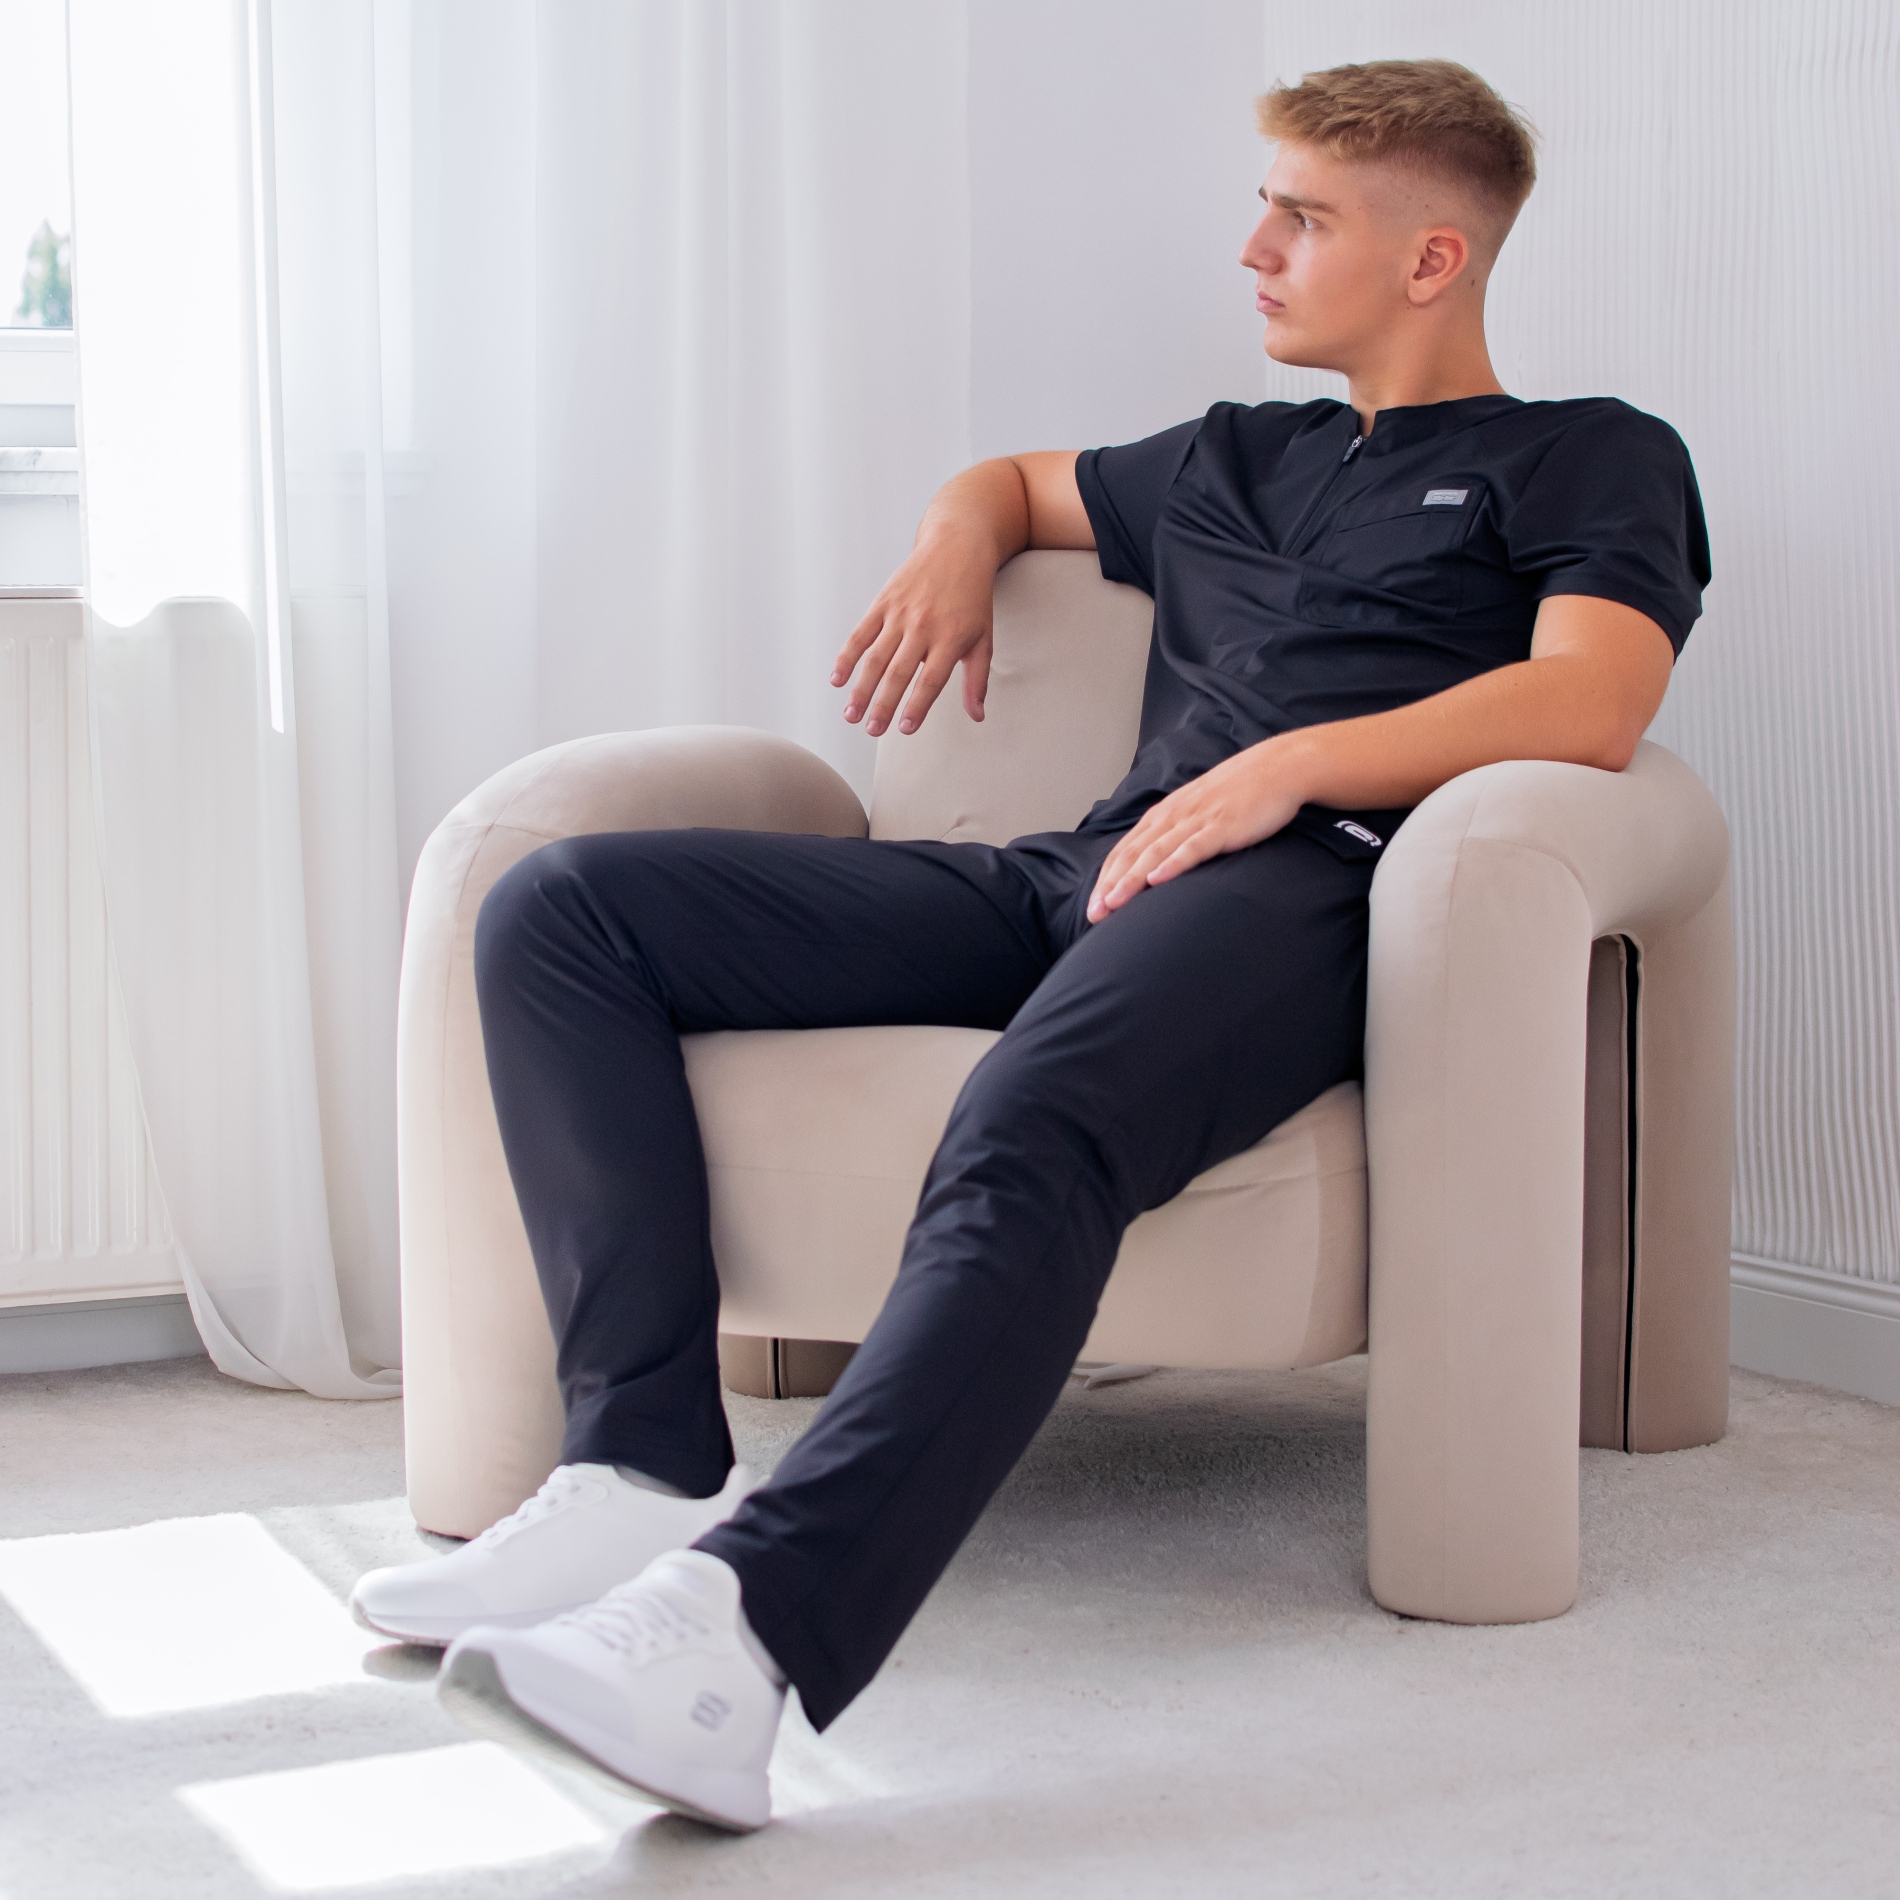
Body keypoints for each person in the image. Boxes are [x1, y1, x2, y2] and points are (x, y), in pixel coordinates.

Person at [351, 58, 1709, 1832]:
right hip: (1075, 873)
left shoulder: (1589, 451)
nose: (1255, 248)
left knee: (1028, 1121)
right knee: (565, 906)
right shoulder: (1232, 455)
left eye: (1302, 217)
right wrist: (952, 542)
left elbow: (1593, 701)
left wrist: (1291, 768)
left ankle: (741, 1647)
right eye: (1265, 206)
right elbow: (1008, 479)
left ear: (1432, 258)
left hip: (1306, 891)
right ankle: (636, 1463)